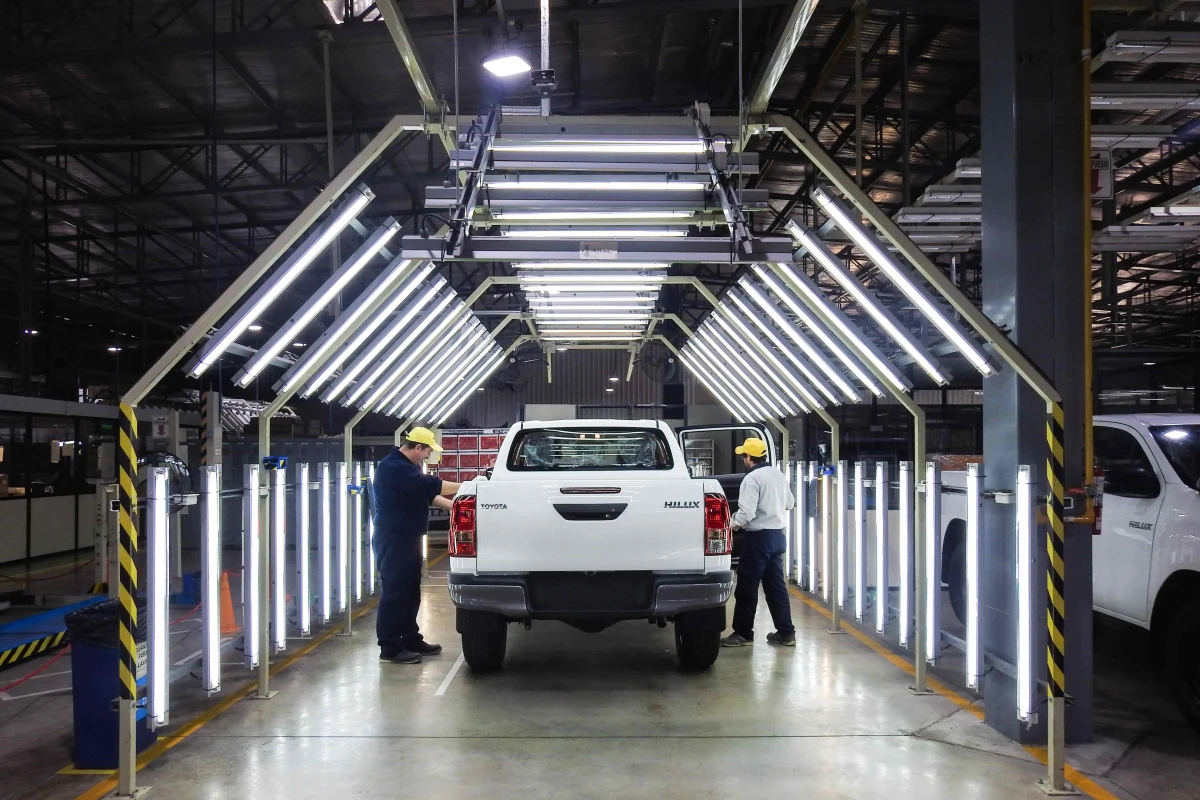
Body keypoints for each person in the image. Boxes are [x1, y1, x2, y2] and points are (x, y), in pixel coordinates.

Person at [372, 427, 461, 664]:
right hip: (394, 538)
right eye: (427, 452)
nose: (427, 457)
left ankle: (410, 638)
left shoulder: (407, 468)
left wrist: (455, 507)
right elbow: (433, 485)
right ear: (417, 447)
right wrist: (468, 486)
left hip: (408, 537)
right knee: (395, 592)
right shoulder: (394, 467)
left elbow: (427, 494)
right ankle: (390, 648)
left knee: (411, 592)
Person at [720, 437, 797, 648]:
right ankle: (786, 633)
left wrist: (730, 525)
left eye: (743, 455)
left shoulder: (752, 479)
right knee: (776, 588)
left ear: (747, 456)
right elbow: (790, 503)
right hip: (777, 536)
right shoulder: (778, 475)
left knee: (747, 586)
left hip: (758, 539)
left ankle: (743, 633)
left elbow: (746, 513)